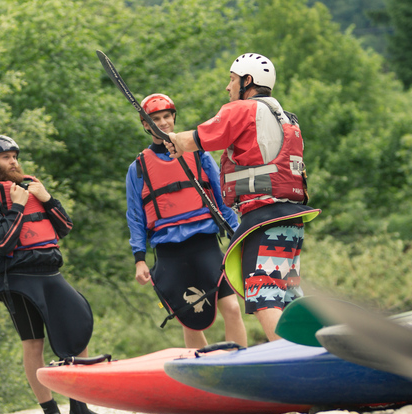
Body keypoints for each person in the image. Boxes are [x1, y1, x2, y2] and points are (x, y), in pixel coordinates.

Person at [165, 53, 321, 341]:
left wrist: (173, 140)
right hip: (290, 220)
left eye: (232, 79)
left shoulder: (242, 109)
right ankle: (312, 351)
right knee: (287, 298)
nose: (228, 87)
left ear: (247, 81)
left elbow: (196, 139)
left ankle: (289, 362)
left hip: (265, 220)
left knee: (264, 297)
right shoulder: (285, 116)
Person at [0, 135, 115, 414]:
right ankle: (51, 412)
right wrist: (18, 207)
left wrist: (48, 199)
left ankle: (80, 407)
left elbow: (64, 227)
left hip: (51, 274)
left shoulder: (31, 187)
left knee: (77, 332)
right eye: (6, 158)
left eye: (14, 156)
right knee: (33, 344)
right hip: (19, 280)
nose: (14, 162)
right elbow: (0, 243)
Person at [127, 93, 247, 348]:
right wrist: (139, 259)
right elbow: (135, 216)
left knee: (232, 308)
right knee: (188, 320)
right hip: (169, 251)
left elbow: (221, 195)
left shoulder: (198, 155)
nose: (162, 123)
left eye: (166, 117)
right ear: (146, 124)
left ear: (173, 118)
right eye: (155, 119)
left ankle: (241, 368)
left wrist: (237, 234)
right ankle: (203, 380)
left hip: (204, 244)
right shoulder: (137, 168)